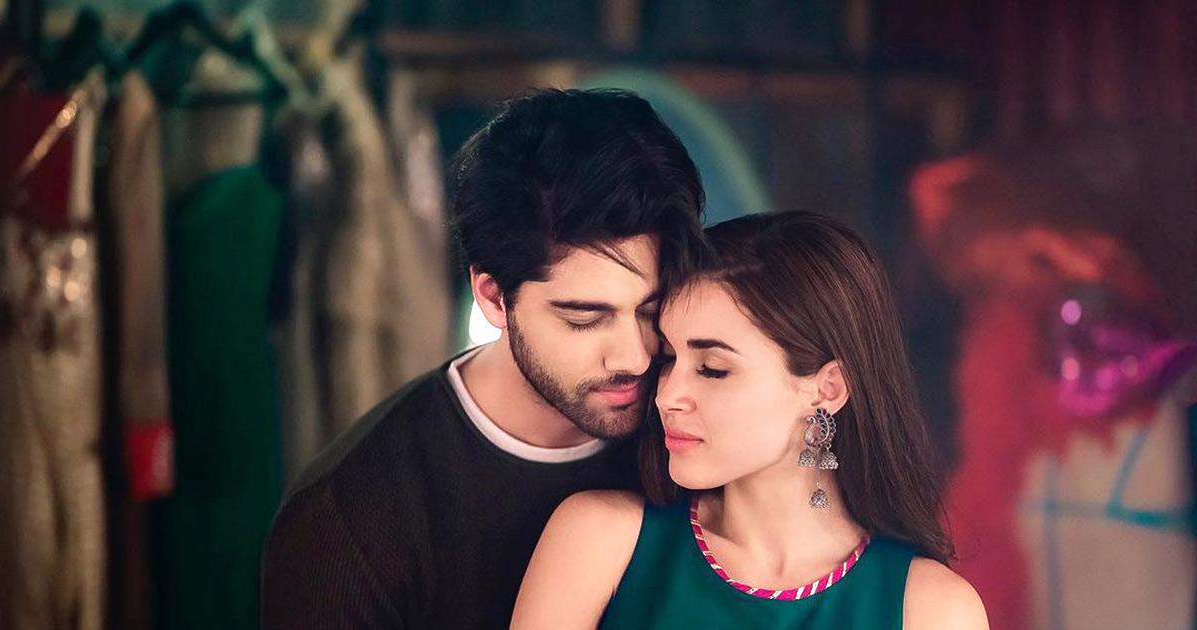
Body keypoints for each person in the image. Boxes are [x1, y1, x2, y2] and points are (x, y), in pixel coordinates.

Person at [260, 88, 706, 629]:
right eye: (585, 318)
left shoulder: (704, 444)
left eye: (652, 311)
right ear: (493, 297)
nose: (635, 357)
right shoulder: (352, 518)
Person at [511, 211, 989, 629]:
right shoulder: (602, 541)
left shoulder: (931, 609)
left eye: (712, 368)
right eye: (669, 358)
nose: (667, 396)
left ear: (826, 389)